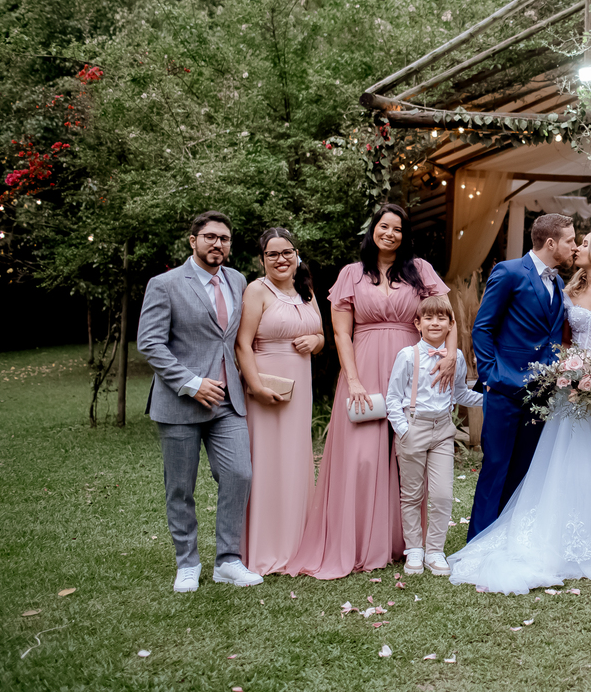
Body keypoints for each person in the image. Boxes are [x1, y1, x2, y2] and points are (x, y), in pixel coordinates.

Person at [449, 229, 591, 594]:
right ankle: (500, 535)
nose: (577, 247)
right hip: (569, 389)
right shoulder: (568, 290)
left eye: (584, 243)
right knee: (562, 463)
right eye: (574, 241)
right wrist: (573, 373)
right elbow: (562, 341)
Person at [287, 203, 454, 579]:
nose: (390, 234)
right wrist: (354, 379)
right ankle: (361, 540)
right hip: (363, 367)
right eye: (384, 226)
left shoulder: (420, 270)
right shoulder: (351, 274)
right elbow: (341, 332)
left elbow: (448, 315)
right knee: (363, 457)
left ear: (405, 236)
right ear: (373, 229)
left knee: (409, 454)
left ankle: (408, 543)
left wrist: (451, 357)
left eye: (398, 229)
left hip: (411, 369)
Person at [136, 211, 262, 592]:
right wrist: (191, 384)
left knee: (239, 474)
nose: (217, 244)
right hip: (180, 404)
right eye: (210, 237)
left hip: (228, 402)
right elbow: (150, 343)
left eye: (224, 238)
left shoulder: (237, 280)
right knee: (180, 487)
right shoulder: (165, 284)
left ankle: (228, 561)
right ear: (193, 241)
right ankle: (187, 563)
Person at [466, 213, 575, 541]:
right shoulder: (509, 271)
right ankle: (478, 542)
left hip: (542, 393)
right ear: (551, 243)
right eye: (570, 240)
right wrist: (491, 375)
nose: (574, 246)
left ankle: (504, 539)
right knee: (496, 466)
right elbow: (483, 327)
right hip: (504, 388)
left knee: (523, 469)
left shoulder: (558, 283)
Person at [235, 228, 324, 576]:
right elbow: (242, 343)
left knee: (295, 459)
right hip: (266, 386)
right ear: (262, 260)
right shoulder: (257, 290)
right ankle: (265, 546)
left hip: (300, 387)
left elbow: (321, 335)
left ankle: (297, 543)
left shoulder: (306, 290)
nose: (281, 259)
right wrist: (255, 386)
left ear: (296, 255)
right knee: (267, 462)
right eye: (272, 254)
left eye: (286, 252)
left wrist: (314, 342)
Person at [385, 296, 482, 576]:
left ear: (451, 325)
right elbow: (393, 398)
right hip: (413, 427)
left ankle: (435, 550)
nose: (435, 323)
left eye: (441, 318)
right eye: (428, 318)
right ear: (418, 324)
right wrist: (404, 430)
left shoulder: (457, 357)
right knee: (412, 494)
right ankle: (414, 549)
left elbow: (461, 394)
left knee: (442, 495)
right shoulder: (407, 356)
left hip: (442, 431)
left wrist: (494, 400)